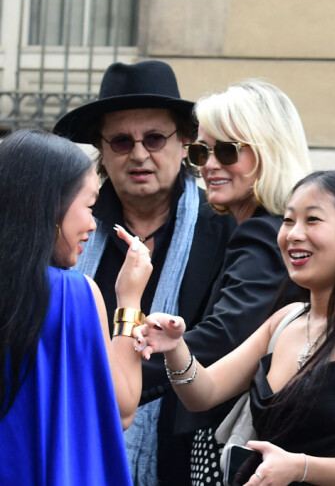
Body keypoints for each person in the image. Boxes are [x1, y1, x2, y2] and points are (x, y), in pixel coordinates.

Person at [133, 170, 335, 486]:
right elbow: (203, 394)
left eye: (313, 220)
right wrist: (175, 348)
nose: (293, 234)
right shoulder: (285, 321)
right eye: (288, 220)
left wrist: (300, 467)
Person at [52, 60, 235, 486]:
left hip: (191, 455)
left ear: (185, 141)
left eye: (154, 138)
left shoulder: (225, 228)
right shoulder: (67, 230)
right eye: (120, 141)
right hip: (77, 447)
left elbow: (226, 337)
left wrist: (120, 378)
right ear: (100, 147)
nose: (138, 154)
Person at [0, 128, 152, 484]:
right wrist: (129, 300)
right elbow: (122, 409)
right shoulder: (73, 295)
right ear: (50, 205)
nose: (92, 223)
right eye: (88, 206)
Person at [181, 79, 312, 485]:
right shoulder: (257, 228)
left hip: (248, 448)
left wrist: (123, 372)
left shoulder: (263, 234)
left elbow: (225, 336)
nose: (210, 165)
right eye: (201, 151)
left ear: (267, 152)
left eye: (226, 150)